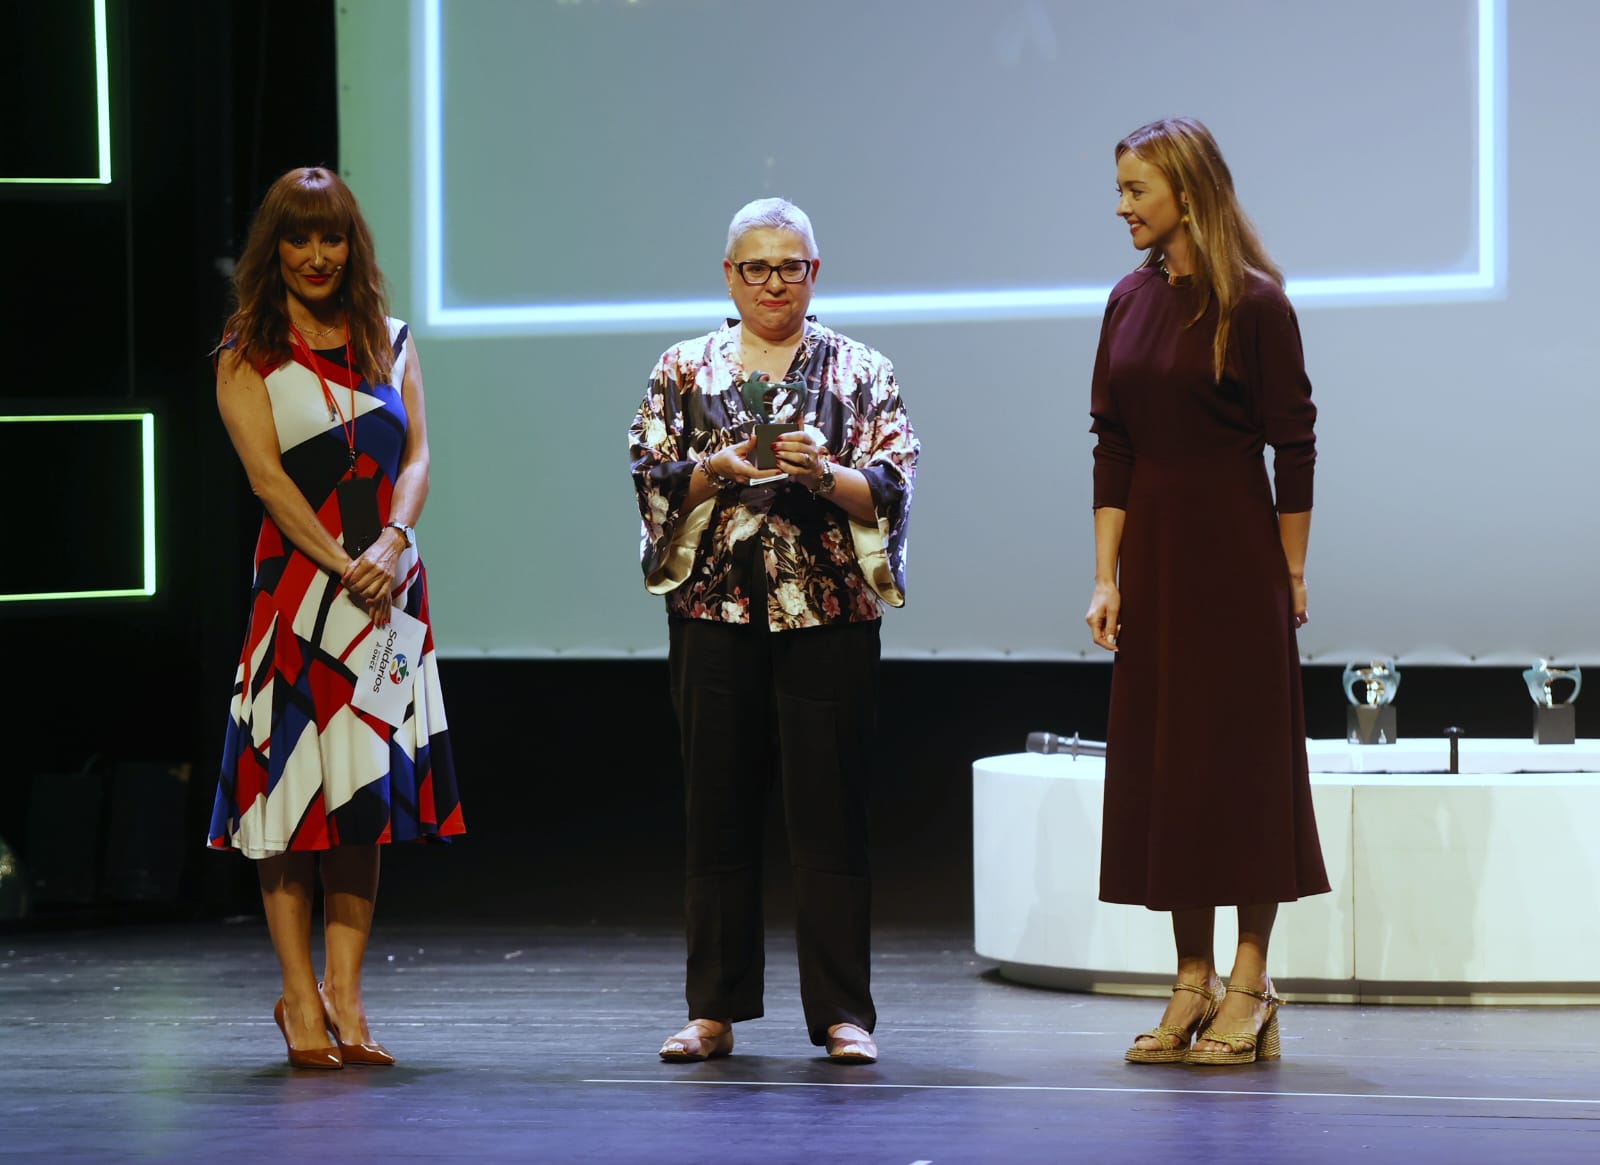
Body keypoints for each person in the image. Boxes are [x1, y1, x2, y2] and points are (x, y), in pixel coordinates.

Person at [629, 198, 918, 1064]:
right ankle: (712, 1008)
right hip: (714, 612)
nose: (772, 283)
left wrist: (827, 475)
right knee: (714, 807)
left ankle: (842, 1013)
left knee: (830, 813)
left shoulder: (859, 370)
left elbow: (895, 486)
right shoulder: (685, 370)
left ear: (814, 273)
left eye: (790, 266)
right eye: (755, 267)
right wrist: (711, 471)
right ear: (729, 275)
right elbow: (649, 476)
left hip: (827, 615)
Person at [1083, 119, 1329, 1066]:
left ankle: (1249, 983)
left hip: (1237, 560)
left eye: (1135, 190)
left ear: (1185, 191)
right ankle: (1189, 978)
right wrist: (1106, 574)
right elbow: (1113, 440)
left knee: (1241, 767)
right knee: (1171, 767)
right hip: (1156, 563)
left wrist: (1291, 572)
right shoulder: (1125, 301)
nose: (1122, 207)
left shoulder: (1255, 304)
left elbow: (1295, 445)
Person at [208, 166, 463, 1069]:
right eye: (298, 237)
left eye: (333, 237)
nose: (317, 255)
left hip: (388, 598)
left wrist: (393, 542)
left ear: (353, 246)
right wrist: (344, 563)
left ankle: (346, 995)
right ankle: (296, 997)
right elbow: (269, 483)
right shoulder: (247, 350)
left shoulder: (388, 338)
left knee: (361, 800)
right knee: (293, 800)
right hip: (301, 595)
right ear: (273, 248)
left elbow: (421, 455)